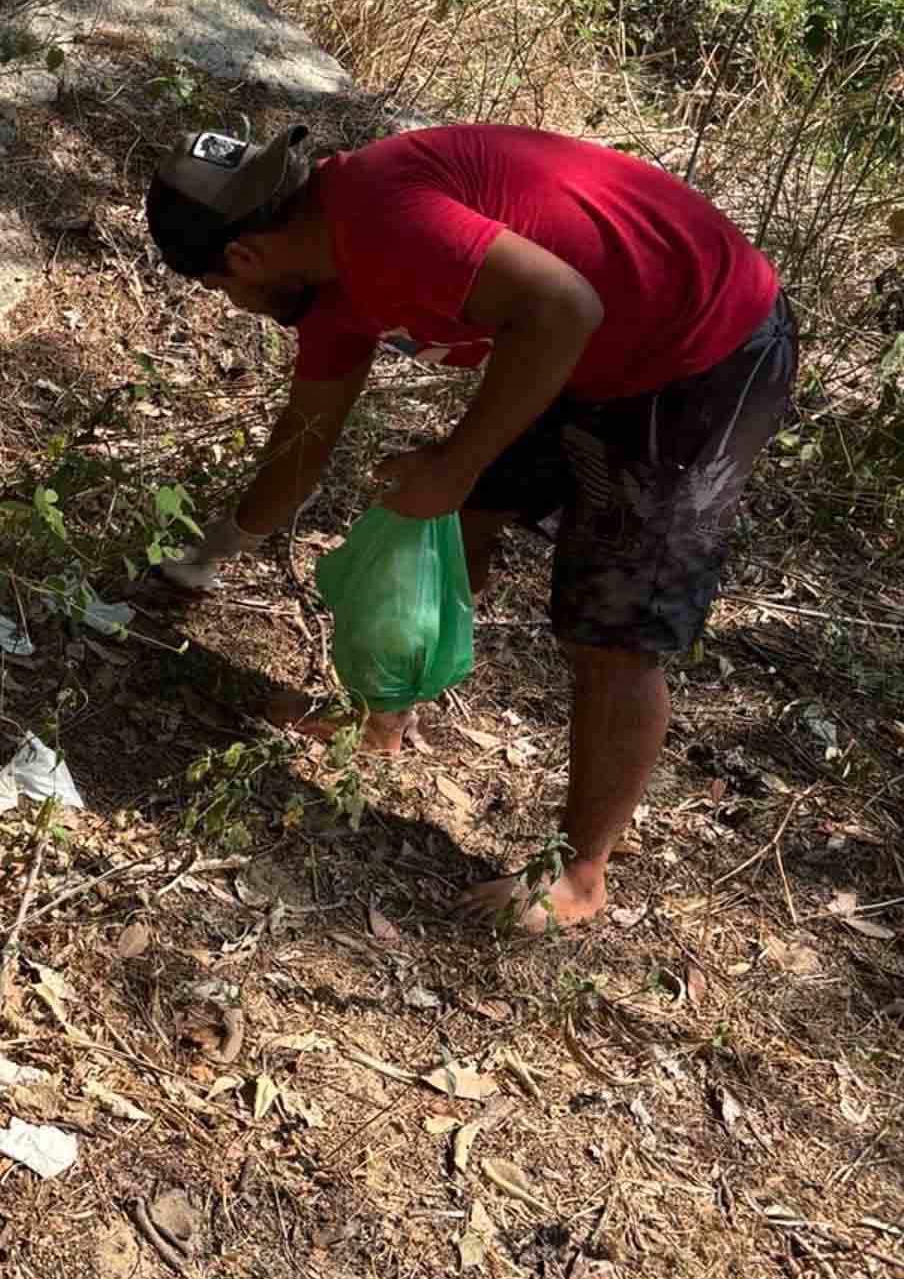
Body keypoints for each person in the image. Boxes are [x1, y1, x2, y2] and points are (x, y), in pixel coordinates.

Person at [145, 119, 796, 931]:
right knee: (447, 525)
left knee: (613, 631)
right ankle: (381, 717)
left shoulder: (382, 218)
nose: (236, 302)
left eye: (221, 289)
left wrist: (454, 466)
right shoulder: (328, 286)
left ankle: (579, 877)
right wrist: (204, 556)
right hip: (585, 351)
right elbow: (304, 444)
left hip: (702, 347)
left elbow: (564, 305)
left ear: (241, 258)